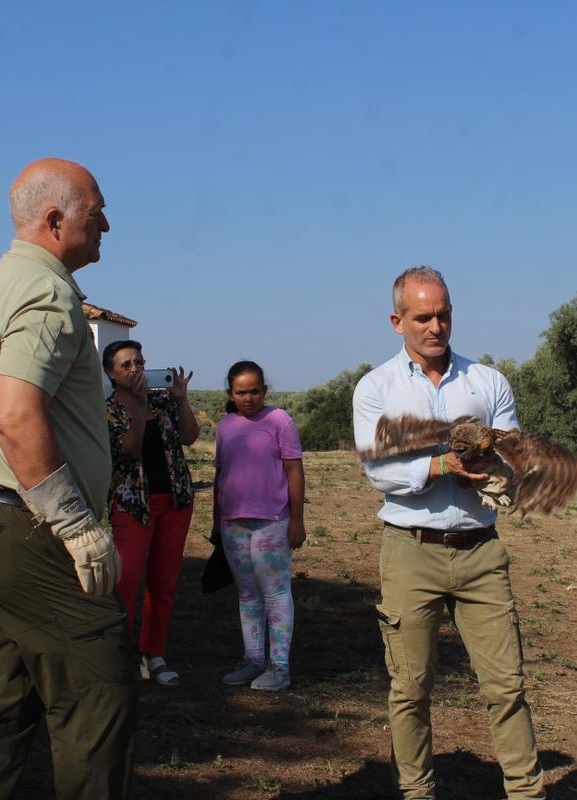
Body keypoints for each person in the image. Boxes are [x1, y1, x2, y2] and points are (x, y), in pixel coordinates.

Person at [0, 157, 134, 799]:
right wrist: (76, 524)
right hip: (25, 529)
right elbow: (15, 415)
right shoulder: (46, 293)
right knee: (98, 697)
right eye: (96, 211)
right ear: (55, 220)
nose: (107, 223)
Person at [353, 266, 546, 800]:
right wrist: (441, 467)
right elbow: (378, 473)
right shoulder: (376, 389)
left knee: (506, 686)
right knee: (410, 689)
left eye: (444, 314)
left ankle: (527, 793)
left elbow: (516, 457)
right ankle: (417, 793)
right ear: (397, 321)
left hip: (481, 551)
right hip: (410, 551)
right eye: (423, 317)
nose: (436, 325)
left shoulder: (488, 383)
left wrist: (500, 464)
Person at [103, 341, 198, 686]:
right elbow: (129, 450)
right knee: (125, 583)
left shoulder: (163, 401)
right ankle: (121, 658)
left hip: (173, 501)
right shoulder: (110, 410)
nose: (135, 369)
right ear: (110, 373)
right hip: (132, 504)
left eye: (139, 362)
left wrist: (182, 399)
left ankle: (153, 654)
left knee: (163, 584)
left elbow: (190, 436)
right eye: (126, 364)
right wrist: (140, 409)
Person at [213, 360, 305, 692]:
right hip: (233, 524)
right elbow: (219, 475)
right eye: (241, 392)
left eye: (255, 391)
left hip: (272, 522)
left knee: (276, 593)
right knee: (248, 595)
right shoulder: (224, 425)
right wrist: (215, 521)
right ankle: (253, 660)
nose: (249, 398)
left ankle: (279, 667)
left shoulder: (279, 420)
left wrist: (297, 520)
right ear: (231, 394)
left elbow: (295, 470)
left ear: (265, 390)